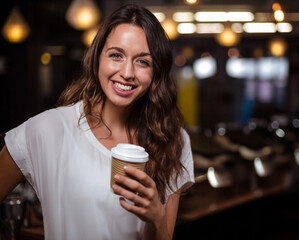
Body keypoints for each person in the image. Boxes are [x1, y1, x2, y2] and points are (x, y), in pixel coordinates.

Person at [0, 3, 194, 240]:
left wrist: (155, 217)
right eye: (116, 55)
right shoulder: (49, 129)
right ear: (97, 58)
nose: (127, 72)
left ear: (156, 72)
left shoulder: (173, 139)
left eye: (143, 61)